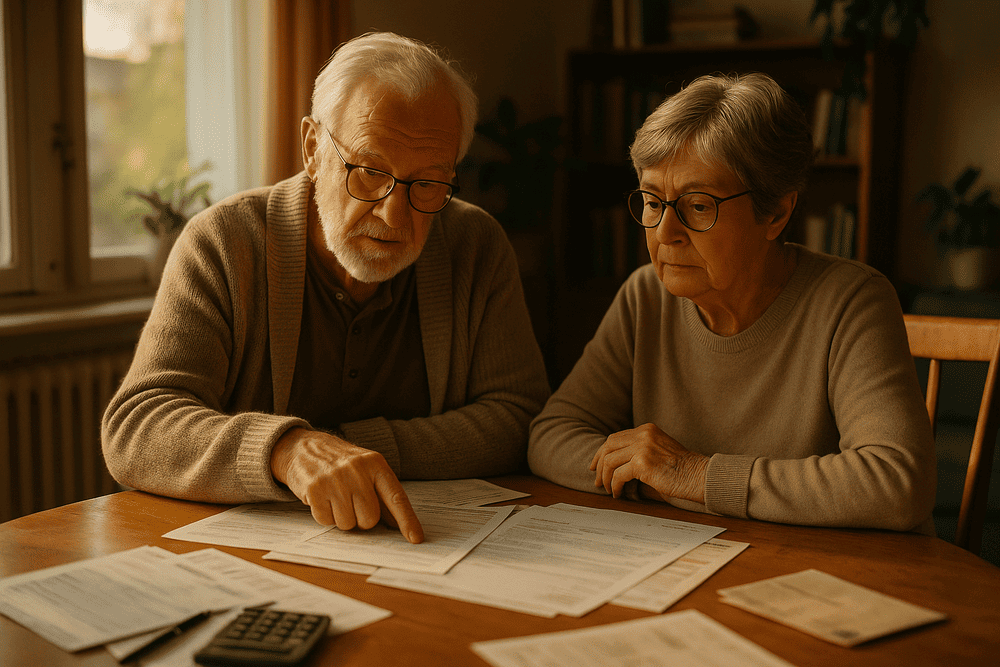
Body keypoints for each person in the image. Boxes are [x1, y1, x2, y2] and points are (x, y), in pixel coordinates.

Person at [102, 32, 550, 544]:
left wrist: (353, 446)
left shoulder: (475, 244)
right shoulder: (224, 243)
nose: (393, 213)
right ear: (314, 149)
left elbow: (520, 416)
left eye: (427, 183)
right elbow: (137, 427)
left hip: (421, 548)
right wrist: (288, 452)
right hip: (233, 557)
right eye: (369, 170)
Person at [528, 72, 936, 534]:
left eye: (698, 205)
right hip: (691, 562)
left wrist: (693, 476)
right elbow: (551, 436)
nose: (664, 233)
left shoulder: (851, 301)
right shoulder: (645, 296)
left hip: (824, 579)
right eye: (651, 200)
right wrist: (654, 478)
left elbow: (897, 483)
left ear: (776, 214)